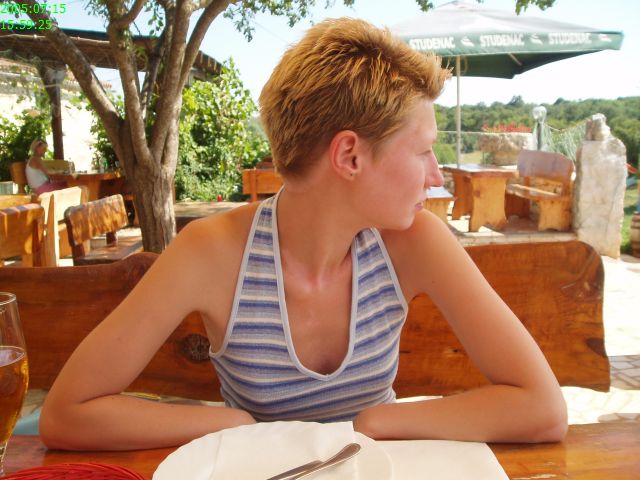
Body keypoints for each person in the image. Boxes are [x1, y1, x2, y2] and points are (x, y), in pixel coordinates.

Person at [40, 18, 567, 451]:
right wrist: (232, 425)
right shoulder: (212, 252)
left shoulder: (415, 242)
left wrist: (377, 423)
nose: (435, 175)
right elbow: (66, 414)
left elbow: (542, 408)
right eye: (423, 150)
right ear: (350, 156)